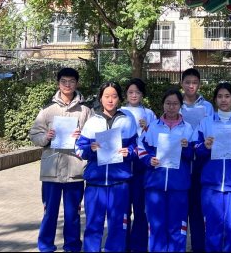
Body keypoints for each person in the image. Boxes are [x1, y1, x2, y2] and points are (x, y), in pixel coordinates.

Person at [29, 67, 92, 253]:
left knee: (73, 214)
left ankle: (72, 247)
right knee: (50, 212)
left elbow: (93, 137)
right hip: (52, 171)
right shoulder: (47, 110)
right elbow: (34, 134)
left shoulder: (85, 110)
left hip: (75, 171)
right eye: (64, 81)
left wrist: (82, 137)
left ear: (77, 83)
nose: (67, 84)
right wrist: (46, 137)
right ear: (58, 83)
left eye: (71, 81)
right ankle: (46, 246)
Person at [75, 81, 138, 252]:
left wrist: (129, 152)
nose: (110, 100)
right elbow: (79, 149)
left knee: (118, 225)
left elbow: (137, 148)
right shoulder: (92, 122)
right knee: (93, 225)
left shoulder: (127, 121)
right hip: (95, 183)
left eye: (114, 96)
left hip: (120, 183)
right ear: (100, 98)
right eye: (106, 96)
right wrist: (90, 149)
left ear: (119, 99)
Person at [194, 82, 231, 252]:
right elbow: (196, 150)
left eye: (227, 96)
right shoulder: (205, 123)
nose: (223, 100)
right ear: (215, 100)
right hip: (211, 186)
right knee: (212, 231)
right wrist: (205, 146)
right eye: (220, 96)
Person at [137, 89, 194, 252]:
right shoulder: (152, 127)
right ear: (163, 105)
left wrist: (186, 148)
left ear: (180, 105)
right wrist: (149, 160)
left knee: (178, 227)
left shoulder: (188, 128)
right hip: (155, 185)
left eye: (175, 103)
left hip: (179, 186)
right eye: (168, 103)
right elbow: (140, 149)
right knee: (156, 226)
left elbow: (194, 154)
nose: (171, 107)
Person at [180, 67, 215, 252]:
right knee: (180, 209)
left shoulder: (207, 106)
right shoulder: (176, 104)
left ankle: (198, 247)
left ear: (199, 84)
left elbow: (212, 129)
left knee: (198, 210)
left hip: (202, 160)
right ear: (182, 84)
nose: (191, 86)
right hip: (181, 159)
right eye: (187, 82)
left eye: (194, 83)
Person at [120, 78, 156, 252]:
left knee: (141, 209)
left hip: (143, 167)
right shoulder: (119, 112)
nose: (134, 95)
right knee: (123, 209)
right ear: (126, 94)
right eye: (130, 92)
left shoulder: (149, 113)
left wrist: (147, 128)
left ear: (143, 94)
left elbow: (156, 139)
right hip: (124, 165)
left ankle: (139, 245)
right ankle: (123, 244)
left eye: (138, 92)